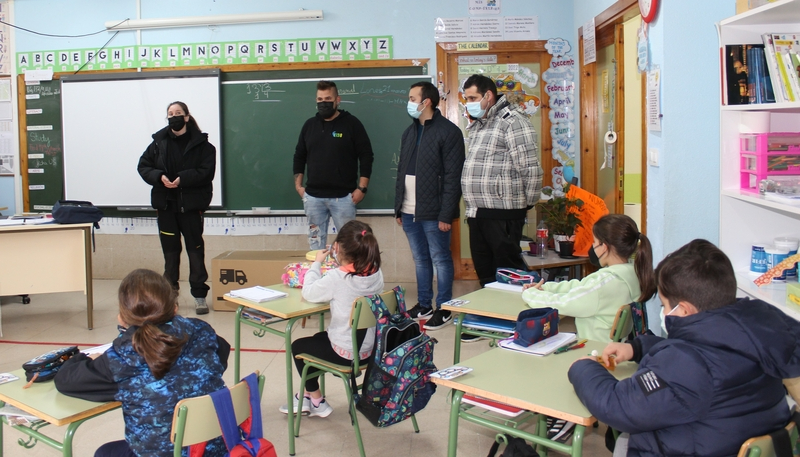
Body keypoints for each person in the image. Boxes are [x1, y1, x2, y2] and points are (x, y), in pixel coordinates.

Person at [568, 239, 800, 457]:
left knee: (623, 441)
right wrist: (637, 348)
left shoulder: (686, 365)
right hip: (727, 440)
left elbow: (617, 407)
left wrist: (585, 369)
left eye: (664, 304)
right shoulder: (755, 327)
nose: (664, 311)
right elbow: (705, 352)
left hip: (687, 448)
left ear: (685, 310)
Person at [54, 269, 230, 457]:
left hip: (161, 453)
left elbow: (66, 381)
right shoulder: (201, 331)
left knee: (104, 453)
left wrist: (85, 358)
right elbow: (221, 355)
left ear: (123, 316)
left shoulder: (122, 357)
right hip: (217, 448)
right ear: (175, 308)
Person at [280, 220, 383, 417]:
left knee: (298, 346)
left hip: (346, 353)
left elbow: (309, 292)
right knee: (319, 337)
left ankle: (317, 400)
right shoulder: (376, 272)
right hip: (371, 349)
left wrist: (316, 263)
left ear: (337, 248)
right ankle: (309, 395)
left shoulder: (337, 277)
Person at [461, 74, 543, 289]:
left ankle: (514, 319)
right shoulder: (481, 124)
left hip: (503, 213)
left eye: (472, 98)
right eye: (466, 99)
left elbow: (530, 168)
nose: (468, 103)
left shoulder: (513, 121)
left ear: (488, 96)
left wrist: (528, 202)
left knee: (508, 274)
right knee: (486, 274)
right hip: (478, 212)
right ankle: (491, 319)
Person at [395, 81, 465, 331]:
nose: (409, 102)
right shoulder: (409, 132)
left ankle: (444, 307)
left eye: (413, 98)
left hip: (435, 212)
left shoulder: (449, 132)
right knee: (421, 260)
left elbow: (452, 177)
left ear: (427, 102)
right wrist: (398, 207)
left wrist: (446, 213)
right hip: (409, 209)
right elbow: (402, 171)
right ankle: (423, 304)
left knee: (440, 259)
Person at [521, 214, 656, 342]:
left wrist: (531, 294)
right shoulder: (631, 274)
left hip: (593, 352)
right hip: (610, 350)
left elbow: (563, 303)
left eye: (594, 241)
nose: (592, 246)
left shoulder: (605, 284)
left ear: (604, 247)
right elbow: (581, 286)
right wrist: (546, 287)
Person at [137, 101, 216, 315]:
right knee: (170, 254)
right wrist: (159, 177)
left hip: (191, 207)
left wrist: (182, 179)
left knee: (195, 251)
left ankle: (199, 296)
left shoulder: (204, 146)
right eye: (170, 114)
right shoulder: (158, 143)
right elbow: (143, 166)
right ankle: (170, 297)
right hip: (166, 207)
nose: (174, 117)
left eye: (178, 113)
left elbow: (206, 172)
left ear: (187, 117)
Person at [293, 81, 374, 250]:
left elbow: (366, 155)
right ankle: (317, 275)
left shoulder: (352, 124)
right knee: (315, 245)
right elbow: (299, 156)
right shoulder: (309, 125)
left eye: (328, 98)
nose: (323, 103)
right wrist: (299, 186)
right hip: (313, 198)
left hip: (344, 198)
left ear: (337, 99)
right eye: (320, 99)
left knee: (349, 245)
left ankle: (348, 276)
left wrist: (362, 188)